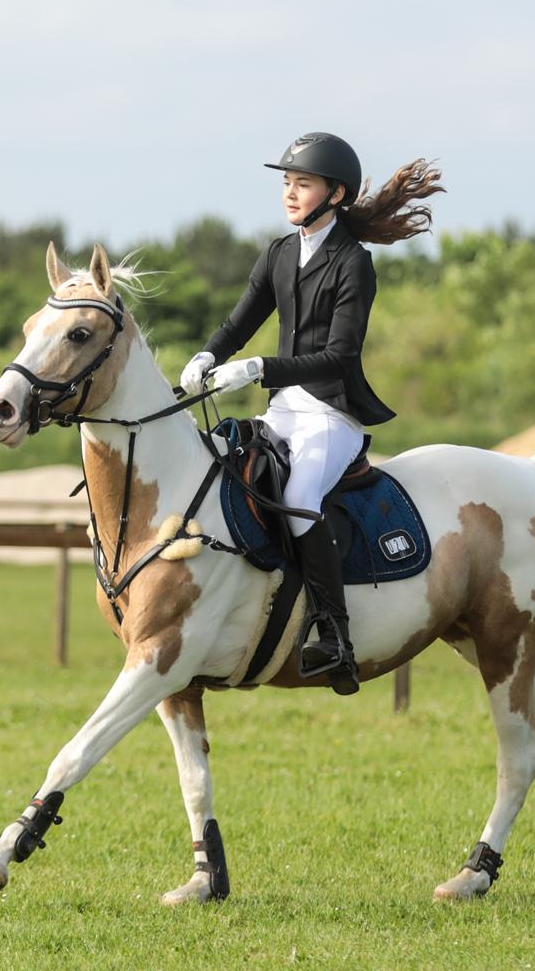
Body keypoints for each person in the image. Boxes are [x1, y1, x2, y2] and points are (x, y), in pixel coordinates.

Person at [180, 132, 443, 695]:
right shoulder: (278, 252)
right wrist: (208, 354)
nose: (290, 193)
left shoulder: (353, 264)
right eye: (286, 183)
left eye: (302, 184)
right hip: (282, 411)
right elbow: (240, 319)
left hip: (331, 412)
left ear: (335, 193)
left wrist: (257, 370)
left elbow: (339, 355)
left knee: (298, 500)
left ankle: (335, 632)